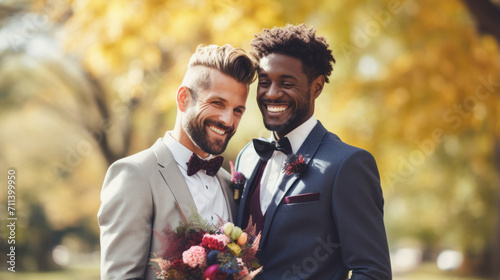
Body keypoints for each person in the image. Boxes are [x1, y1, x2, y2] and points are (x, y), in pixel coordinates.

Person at [235, 24, 392, 279]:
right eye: (264, 83)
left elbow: (372, 271)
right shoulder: (247, 157)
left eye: (286, 83)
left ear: (316, 87)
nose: (271, 94)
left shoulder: (347, 164)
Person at [98, 44, 255, 280]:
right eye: (217, 103)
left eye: (238, 110)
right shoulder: (134, 175)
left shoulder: (228, 183)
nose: (227, 120)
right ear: (183, 98)